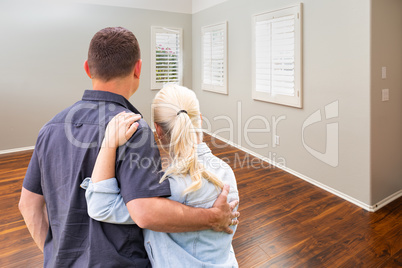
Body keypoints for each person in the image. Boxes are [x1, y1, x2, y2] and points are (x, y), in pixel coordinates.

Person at [18, 26, 239, 268]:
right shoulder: (135, 129)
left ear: (87, 69)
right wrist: (212, 218)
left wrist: (56, 255)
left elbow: (28, 205)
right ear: (138, 69)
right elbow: (146, 212)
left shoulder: (50, 128)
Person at [81, 84, 239, 267]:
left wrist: (109, 142)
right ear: (200, 120)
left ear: (159, 131)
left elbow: (101, 206)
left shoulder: (166, 188)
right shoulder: (227, 172)